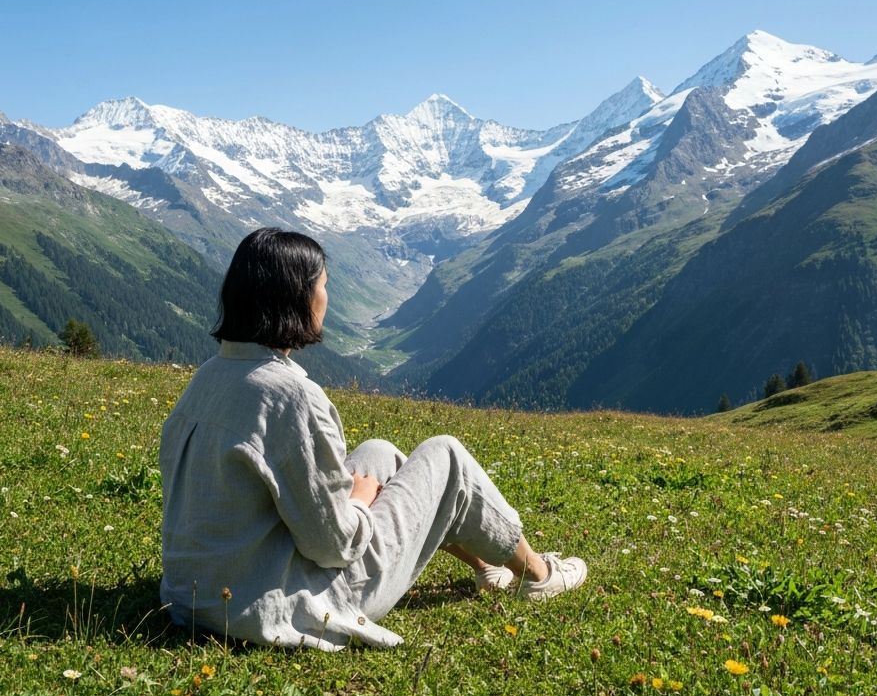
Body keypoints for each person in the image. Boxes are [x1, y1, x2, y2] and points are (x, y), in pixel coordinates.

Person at [160, 227, 587, 650]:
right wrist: (360, 501)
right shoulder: (291, 396)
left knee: (377, 453)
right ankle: (537, 575)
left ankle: (486, 566)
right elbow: (333, 545)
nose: (327, 298)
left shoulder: (209, 377)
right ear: (297, 297)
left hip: (199, 596)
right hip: (281, 602)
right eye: (323, 286)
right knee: (447, 457)